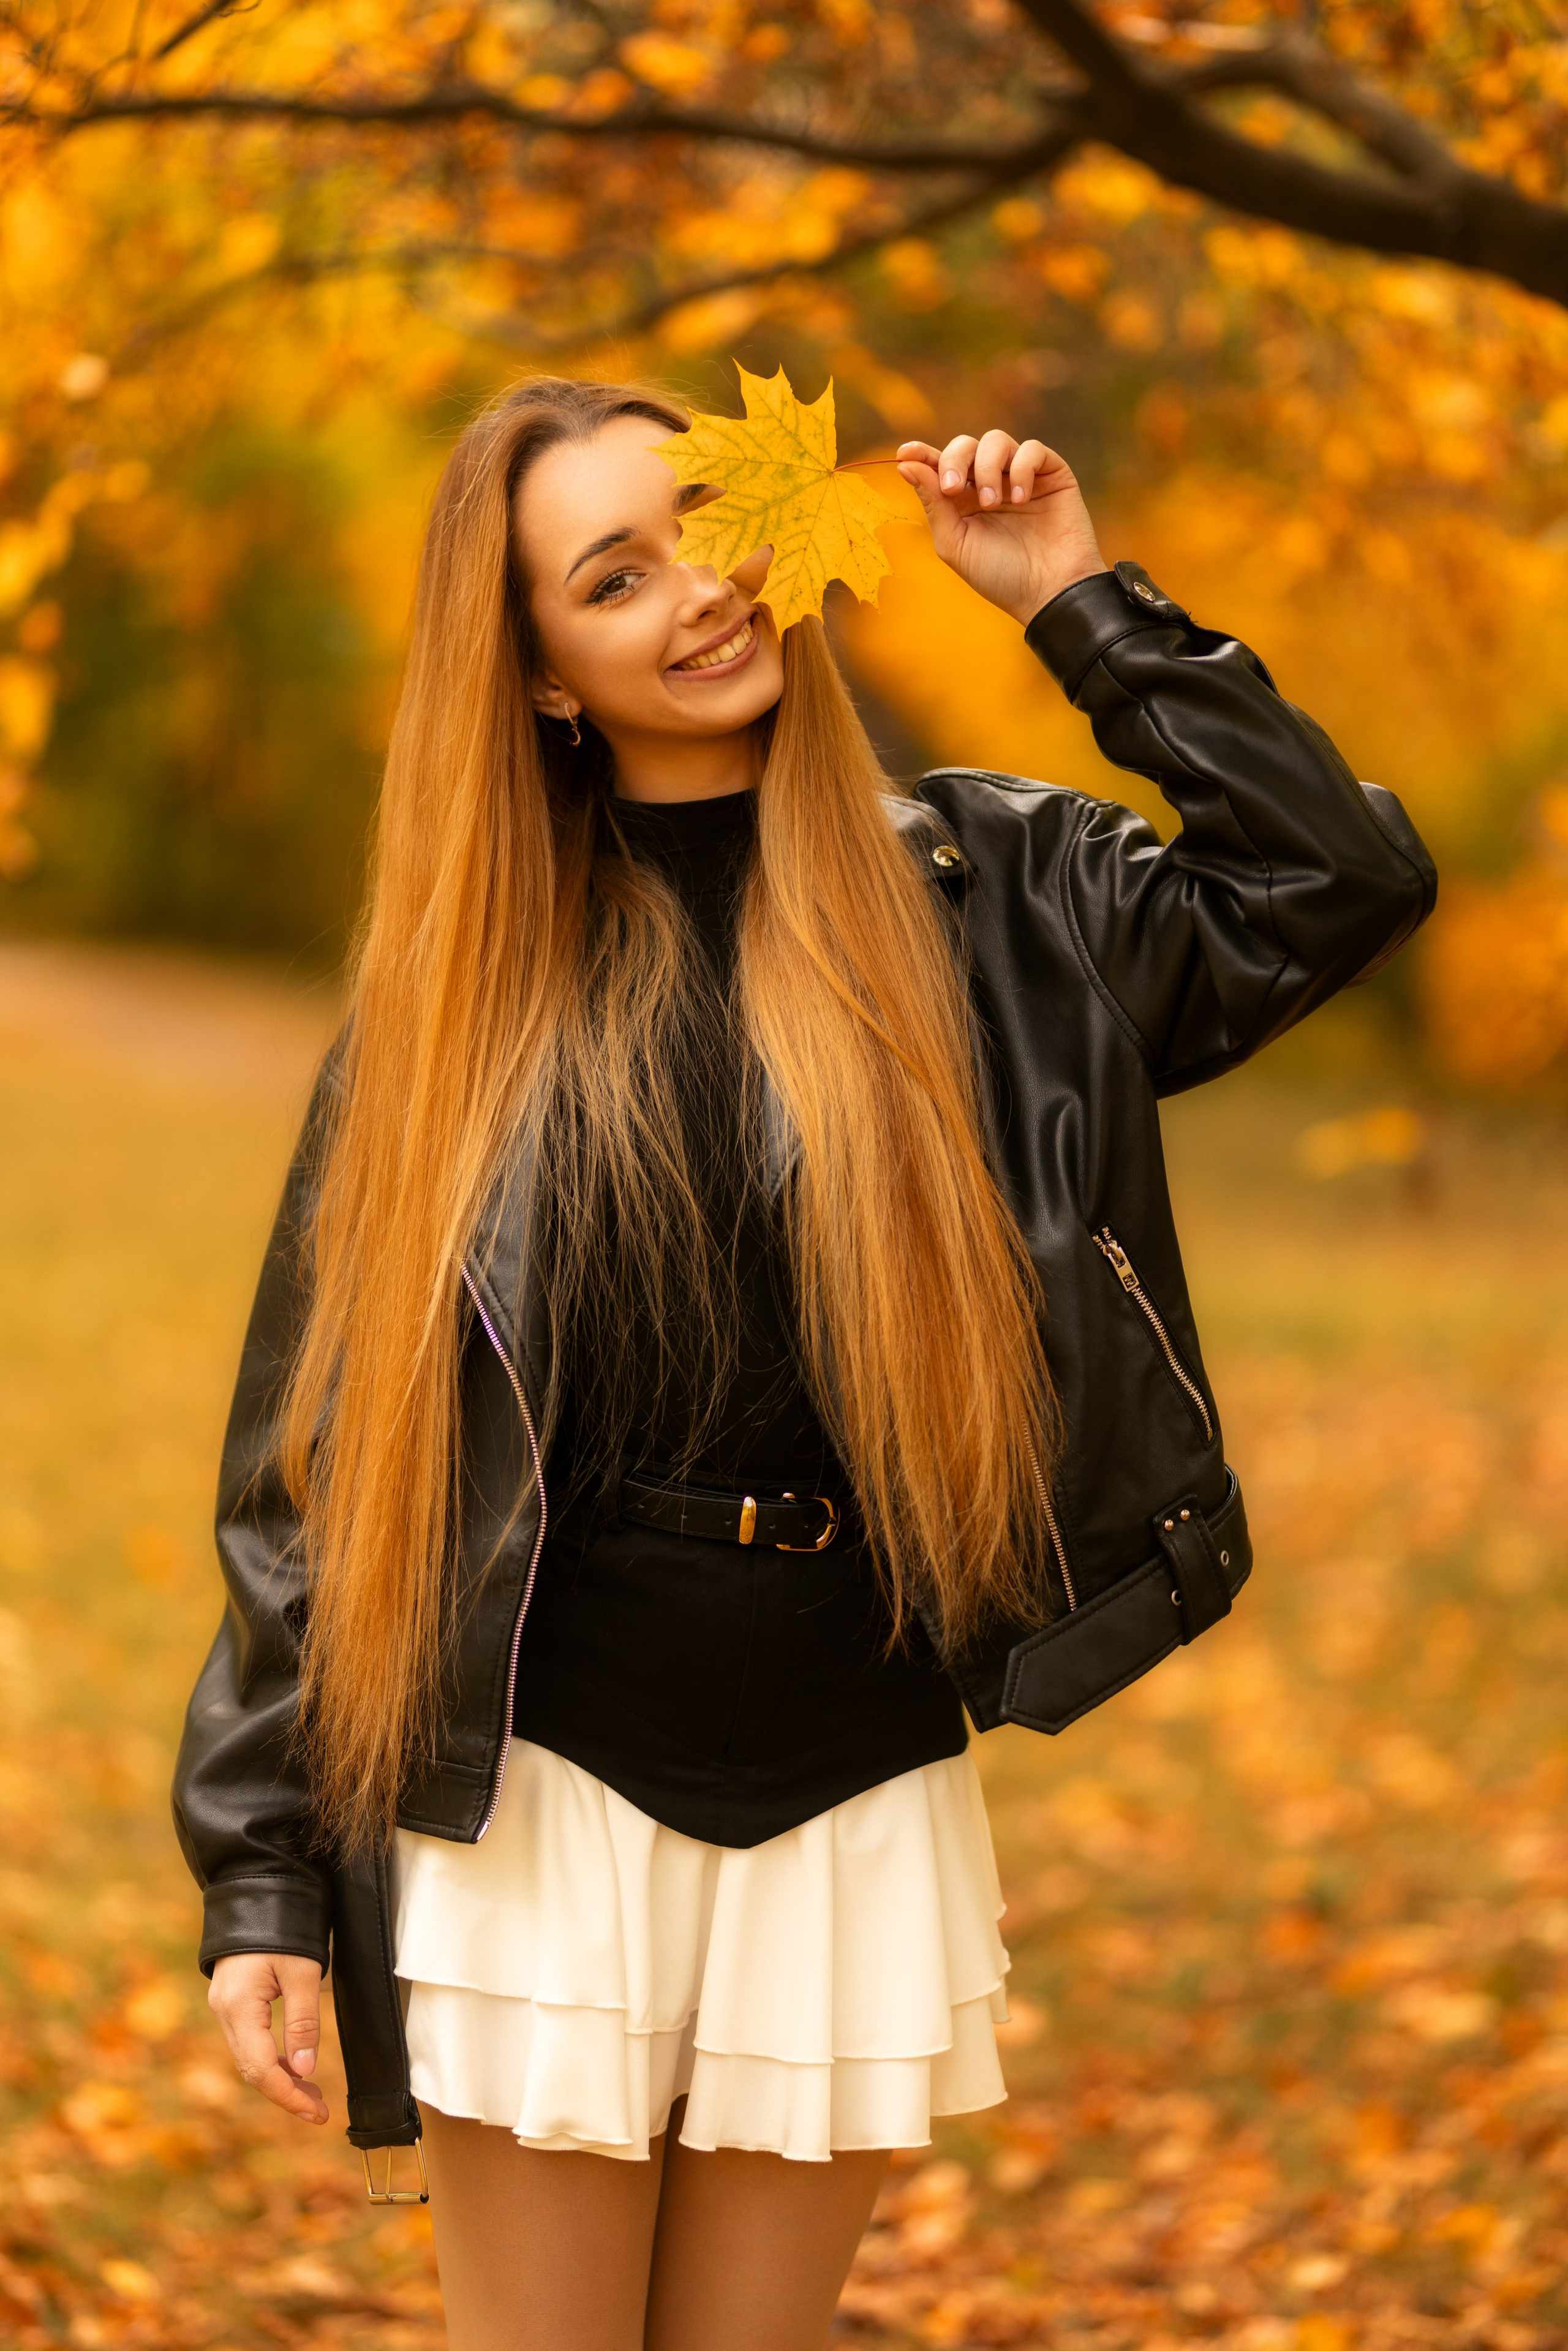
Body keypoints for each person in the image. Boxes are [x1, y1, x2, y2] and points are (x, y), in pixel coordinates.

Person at [172, 376, 1434, 2351]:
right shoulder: (464, 991)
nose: (695, 590)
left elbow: (1334, 882)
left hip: (853, 1782)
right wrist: (258, 1883)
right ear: (541, 678)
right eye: (612, 576)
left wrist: (1076, 603)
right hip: (542, 1797)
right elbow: (313, 1457)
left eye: (705, 520)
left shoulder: (1001, 904)